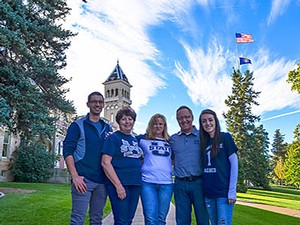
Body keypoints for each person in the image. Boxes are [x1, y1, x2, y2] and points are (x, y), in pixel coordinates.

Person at [63, 91, 112, 225]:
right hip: (83, 180)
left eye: (100, 102)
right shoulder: (77, 125)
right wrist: (75, 177)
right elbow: (67, 151)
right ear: (88, 104)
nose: (97, 104)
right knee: (77, 220)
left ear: (103, 105)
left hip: (102, 182)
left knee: (96, 220)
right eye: (94, 101)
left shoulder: (108, 128)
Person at [101, 107, 143, 225]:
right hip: (119, 184)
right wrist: (118, 186)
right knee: (121, 220)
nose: (127, 122)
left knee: (128, 220)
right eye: (124, 119)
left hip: (135, 184)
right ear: (118, 121)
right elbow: (105, 163)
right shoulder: (113, 138)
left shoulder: (135, 140)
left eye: (130, 119)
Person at [170, 106, 209, 225]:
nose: (184, 120)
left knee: (203, 220)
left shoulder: (203, 136)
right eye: (180, 118)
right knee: (182, 220)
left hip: (199, 183)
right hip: (180, 184)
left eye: (187, 117)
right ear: (177, 120)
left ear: (192, 118)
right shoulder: (173, 139)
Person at [199, 109, 238, 225]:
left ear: (215, 121)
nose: (208, 123)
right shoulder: (203, 143)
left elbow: (234, 164)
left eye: (210, 120)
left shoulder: (225, 138)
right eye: (204, 121)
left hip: (223, 194)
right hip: (209, 194)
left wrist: (232, 191)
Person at [136, 114, 173, 225]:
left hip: (166, 183)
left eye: (160, 124)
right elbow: (125, 139)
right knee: (151, 219)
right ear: (151, 125)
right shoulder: (142, 139)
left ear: (164, 125)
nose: (158, 126)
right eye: (155, 124)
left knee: (161, 219)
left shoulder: (170, 141)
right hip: (148, 183)